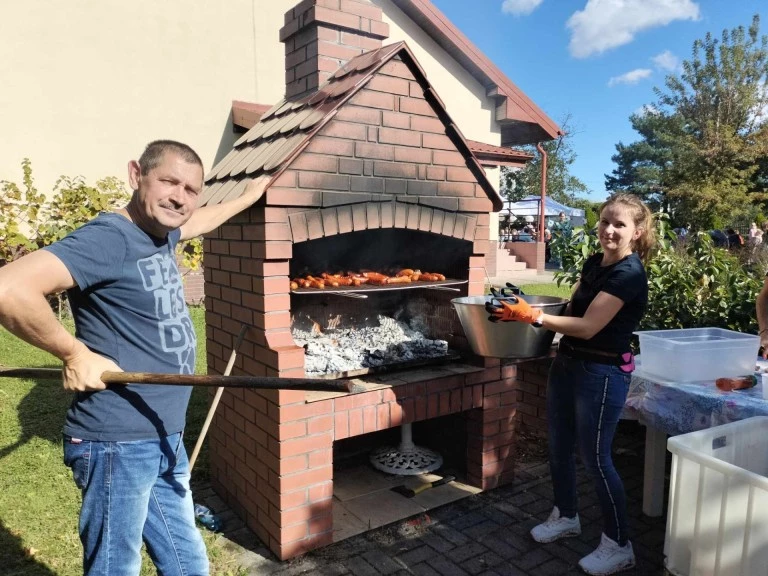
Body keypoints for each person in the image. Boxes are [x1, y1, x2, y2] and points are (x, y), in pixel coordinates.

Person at [0, 140, 268, 575]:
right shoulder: (111, 237)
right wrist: (73, 352)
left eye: (190, 189)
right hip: (118, 442)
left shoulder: (161, 233)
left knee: (188, 563)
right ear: (135, 175)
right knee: (114, 567)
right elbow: (9, 289)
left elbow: (200, 220)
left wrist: (249, 198)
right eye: (168, 181)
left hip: (164, 434)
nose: (180, 197)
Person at [487, 193, 656, 575]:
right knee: (559, 447)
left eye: (620, 224)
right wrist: (523, 306)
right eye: (605, 221)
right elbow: (572, 309)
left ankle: (620, 544)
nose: (609, 230)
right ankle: (566, 516)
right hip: (568, 365)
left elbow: (589, 326)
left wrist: (531, 317)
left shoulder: (628, 274)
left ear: (637, 232)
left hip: (602, 373)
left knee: (597, 459)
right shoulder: (595, 262)